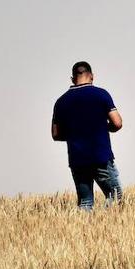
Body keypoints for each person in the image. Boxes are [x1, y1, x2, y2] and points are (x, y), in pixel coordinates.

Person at [51, 62, 124, 210]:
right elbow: (117, 123)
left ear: (72, 79)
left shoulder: (61, 102)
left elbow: (55, 134)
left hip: (77, 159)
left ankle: (83, 231)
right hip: (101, 156)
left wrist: (75, 134)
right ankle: (109, 228)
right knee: (115, 198)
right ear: (92, 76)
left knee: (85, 202)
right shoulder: (101, 94)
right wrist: (104, 128)